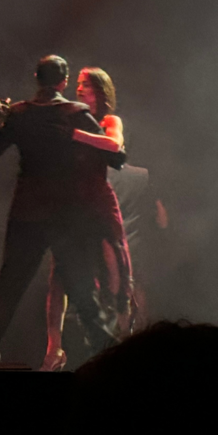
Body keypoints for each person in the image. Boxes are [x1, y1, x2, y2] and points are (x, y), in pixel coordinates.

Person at [0, 56, 129, 365]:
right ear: (64, 82)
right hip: (65, 215)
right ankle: (109, 360)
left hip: (26, 212)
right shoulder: (76, 112)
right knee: (82, 290)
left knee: (8, 288)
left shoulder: (18, 113)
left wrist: (0, 121)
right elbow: (118, 157)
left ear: (36, 78)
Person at [41, 66, 133, 372]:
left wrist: (74, 135)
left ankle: (121, 333)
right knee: (59, 277)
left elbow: (114, 145)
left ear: (101, 91)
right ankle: (55, 347)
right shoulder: (70, 115)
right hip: (69, 203)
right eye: (78, 85)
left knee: (113, 265)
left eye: (87, 86)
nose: (79, 90)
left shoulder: (108, 120)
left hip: (97, 200)